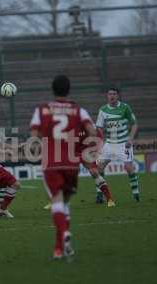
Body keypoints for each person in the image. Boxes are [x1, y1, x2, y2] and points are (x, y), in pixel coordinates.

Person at [30, 75, 97, 259]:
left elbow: (34, 135)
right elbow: (92, 131)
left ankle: (64, 232)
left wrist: (38, 144)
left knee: (57, 201)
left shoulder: (42, 109)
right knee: (65, 203)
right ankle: (58, 249)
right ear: (68, 90)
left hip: (51, 162)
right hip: (71, 162)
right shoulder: (78, 109)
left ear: (52, 89)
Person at [96, 87, 140, 202]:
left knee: (129, 167)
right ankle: (99, 194)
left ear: (118, 96)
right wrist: (101, 141)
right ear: (107, 96)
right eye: (110, 94)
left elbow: (134, 124)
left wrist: (130, 139)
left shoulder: (125, 108)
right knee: (99, 167)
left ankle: (136, 195)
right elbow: (99, 127)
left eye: (114, 94)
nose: (112, 96)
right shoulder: (103, 110)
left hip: (123, 144)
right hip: (109, 144)